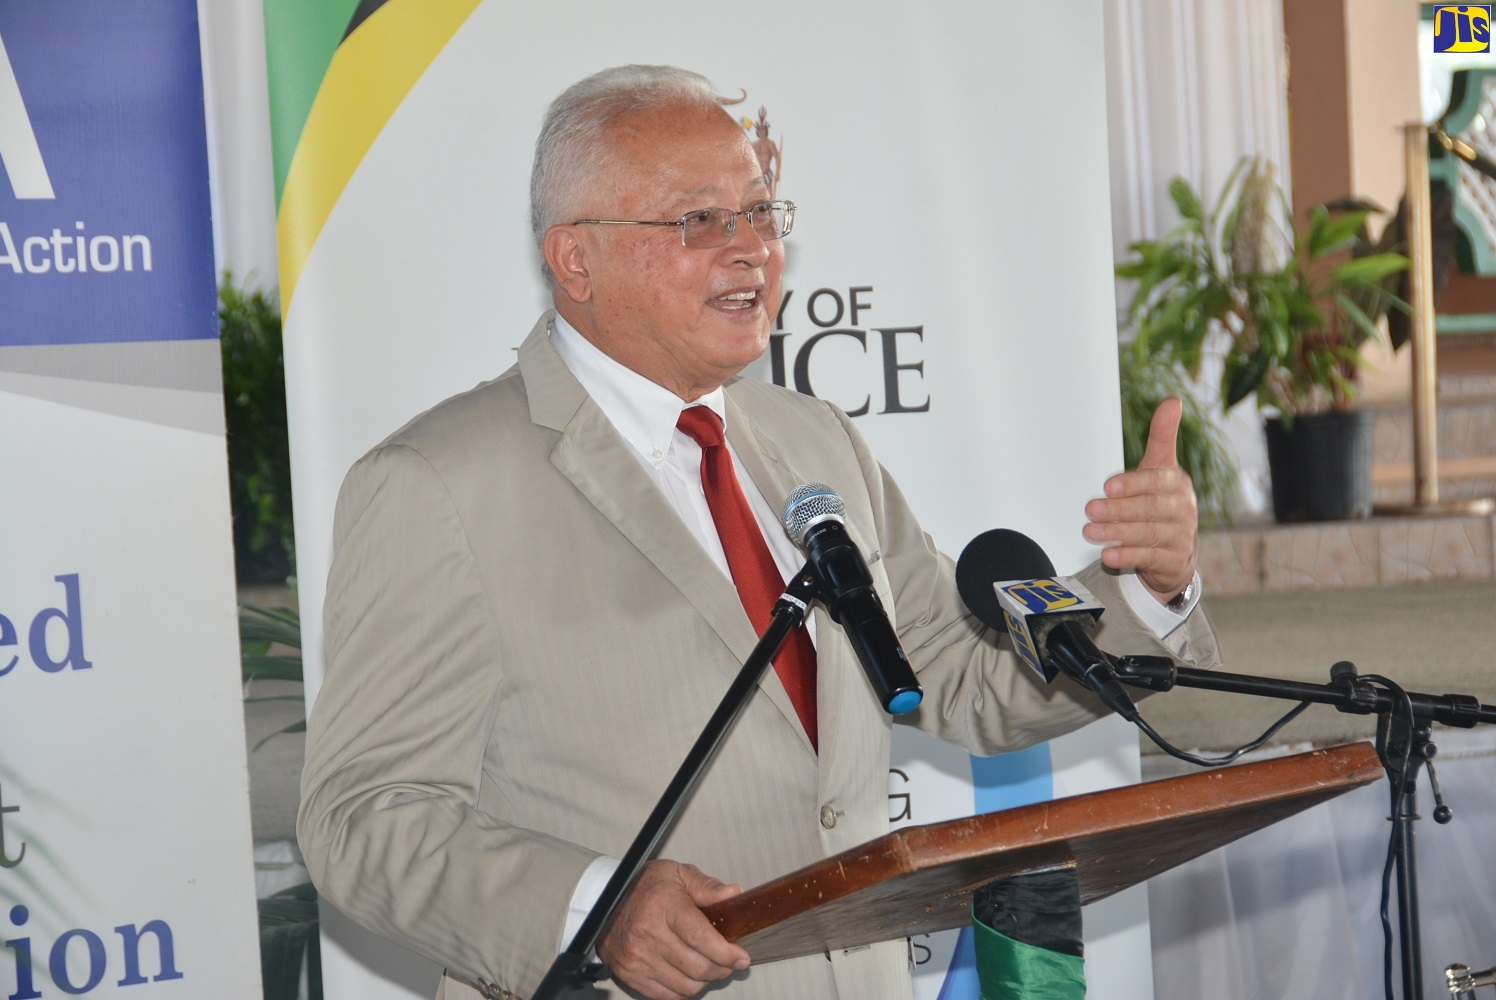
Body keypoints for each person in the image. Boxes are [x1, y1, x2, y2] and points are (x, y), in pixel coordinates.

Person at [298, 65, 1221, 1000]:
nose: (751, 251)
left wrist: (1147, 588)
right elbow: (364, 817)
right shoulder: (439, 484)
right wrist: (595, 907)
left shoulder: (811, 439)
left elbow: (956, 671)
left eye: (762, 212)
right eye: (700, 220)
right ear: (575, 259)